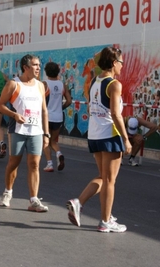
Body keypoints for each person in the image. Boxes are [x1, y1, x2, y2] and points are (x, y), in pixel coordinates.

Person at [67, 46, 132, 233]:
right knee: (110, 180)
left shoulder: (95, 80)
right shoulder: (114, 84)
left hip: (94, 134)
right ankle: (104, 221)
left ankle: (80, 203)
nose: (122, 66)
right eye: (121, 62)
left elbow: (90, 108)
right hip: (110, 134)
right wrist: (126, 139)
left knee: (104, 178)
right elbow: (115, 113)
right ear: (114, 63)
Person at [0, 54, 49, 212]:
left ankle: (34, 200)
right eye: (35, 65)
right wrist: (14, 115)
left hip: (36, 131)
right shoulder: (14, 84)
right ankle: (8, 192)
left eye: (39, 65)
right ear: (25, 67)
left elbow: (44, 111)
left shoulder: (40, 85)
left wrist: (46, 133)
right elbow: (0, 105)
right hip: (17, 130)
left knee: (34, 164)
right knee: (14, 163)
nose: (38, 68)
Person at [42, 62, 72, 172]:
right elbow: (69, 101)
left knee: (45, 141)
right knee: (53, 141)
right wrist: (61, 108)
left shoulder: (44, 84)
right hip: (58, 117)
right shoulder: (62, 85)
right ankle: (59, 153)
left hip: (46, 117)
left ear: (46, 71)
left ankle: (49, 164)